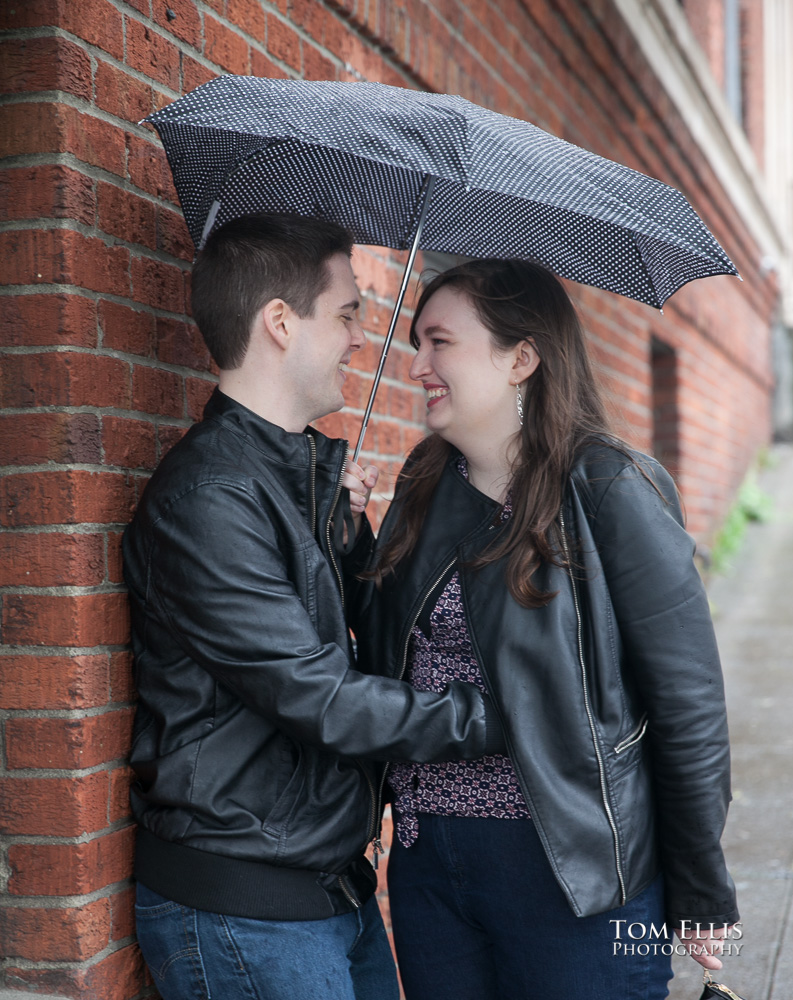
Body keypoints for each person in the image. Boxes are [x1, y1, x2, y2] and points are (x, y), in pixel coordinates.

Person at [122, 213, 506, 1000]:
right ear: (279, 323)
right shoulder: (211, 498)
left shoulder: (289, 482)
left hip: (323, 889)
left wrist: (347, 534)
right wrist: (499, 717)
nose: (361, 338)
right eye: (346, 314)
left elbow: (378, 628)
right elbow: (314, 695)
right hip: (246, 909)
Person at [355, 258, 740, 1000]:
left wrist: (702, 888)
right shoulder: (423, 484)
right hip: (433, 869)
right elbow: (382, 659)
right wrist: (343, 533)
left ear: (522, 357)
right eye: (416, 343)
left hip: (576, 873)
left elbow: (687, 699)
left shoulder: (608, 487)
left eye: (440, 342)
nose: (417, 364)